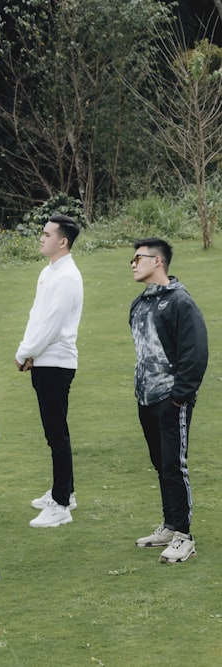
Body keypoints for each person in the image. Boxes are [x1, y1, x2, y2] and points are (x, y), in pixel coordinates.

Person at [129, 238, 208, 564]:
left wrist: (180, 397)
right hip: (146, 397)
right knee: (161, 463)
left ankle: (183, 536)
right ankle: (169, 524)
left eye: (138, 258)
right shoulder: (140, 303)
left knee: (175, 465)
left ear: (157, 261)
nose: (133, 264)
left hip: (171, 398)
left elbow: (195, 353)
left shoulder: (179, 302)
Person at [15, 214, 83, 528]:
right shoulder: (49, 272)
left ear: (63, 241)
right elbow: (37, 318)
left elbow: (53, 326)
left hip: (56, 363)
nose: (41, 238)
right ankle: (63, 491)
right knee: (53, 432)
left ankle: (60, 505)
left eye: (46, 234)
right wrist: (28, 351)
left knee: (57, 433)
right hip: (43, 360)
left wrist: (25, 353)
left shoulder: (67, 276)